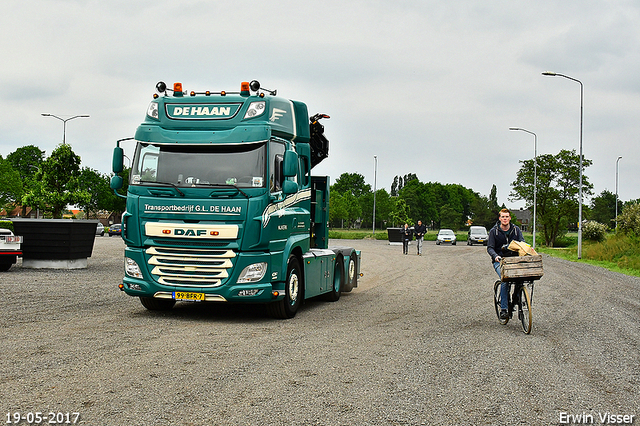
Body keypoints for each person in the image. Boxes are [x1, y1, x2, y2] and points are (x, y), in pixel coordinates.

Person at [487, 208, 525, 320]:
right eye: (503, 217)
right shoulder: (494, 231)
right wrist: (495, 256)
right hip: (500, 261)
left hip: (514, 261)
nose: (505, 219)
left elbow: (521, 243)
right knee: (505, 280)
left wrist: (527, 249)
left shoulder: (516, 230)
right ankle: (503, 309)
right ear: (499, 218)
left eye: (507, 216)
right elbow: (490, 248)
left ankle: (517, 296)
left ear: (510, 218)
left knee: (522, 277)